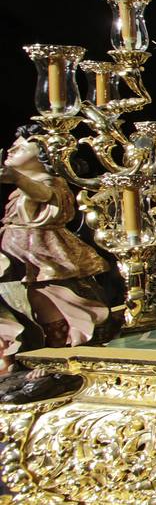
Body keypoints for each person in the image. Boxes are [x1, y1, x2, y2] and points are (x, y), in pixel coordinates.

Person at [0, 125, 110, 369]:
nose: (10, 149)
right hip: (17, 255)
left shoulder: (51, 182)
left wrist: (18, 178)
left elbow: (43, 194)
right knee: (18, 306)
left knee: (49, 299)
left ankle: (56, 358)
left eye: (19, 147)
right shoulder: (25, 185)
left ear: (45, 155)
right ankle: (28, 355)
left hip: (41, 253)